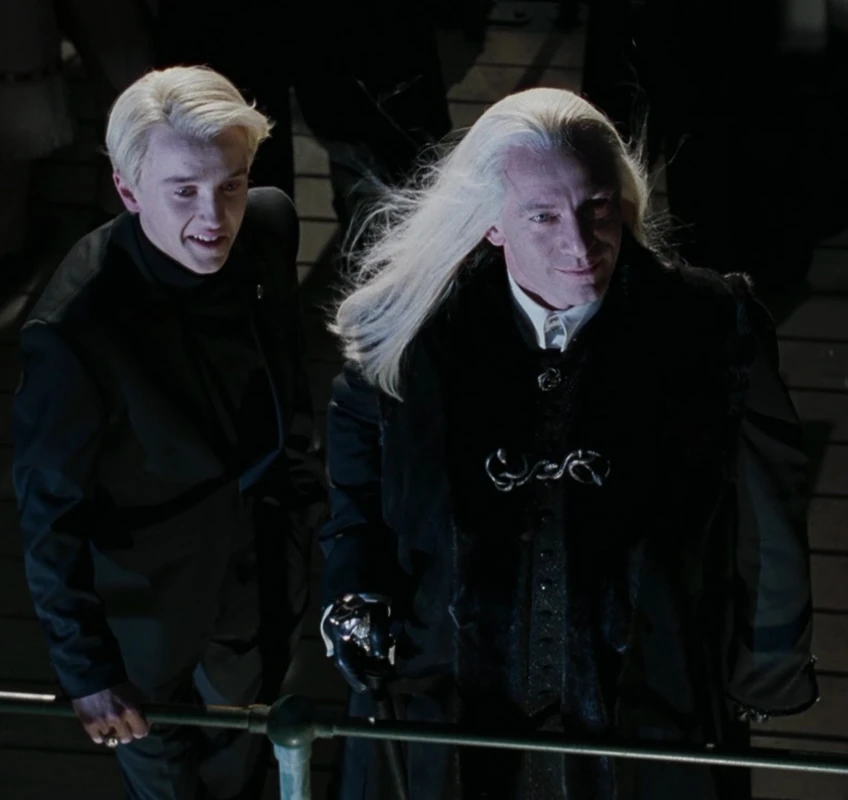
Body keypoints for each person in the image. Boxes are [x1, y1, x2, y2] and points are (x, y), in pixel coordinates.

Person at [318, 87, 819, 799]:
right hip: (449, 712)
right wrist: (353, 593)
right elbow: (358, 508)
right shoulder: (412, 340)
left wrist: (765, 669)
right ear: (492, 224)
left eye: (597, 207)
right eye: (544, 216)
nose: (580, 246)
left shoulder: (711, 327)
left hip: (651, 707)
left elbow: (770, 517)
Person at [13, 65, 325, 800]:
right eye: (183, 191)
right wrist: (87, 670)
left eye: (231, 185)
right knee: (167, 781)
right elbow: (48, 513)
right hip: (145, 608)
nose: (215, 217)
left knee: (246, 756)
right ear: (128, 191)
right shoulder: (75, 325)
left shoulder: (269, 224)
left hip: (260, 569)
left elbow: (284, 378)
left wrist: (302, 511)